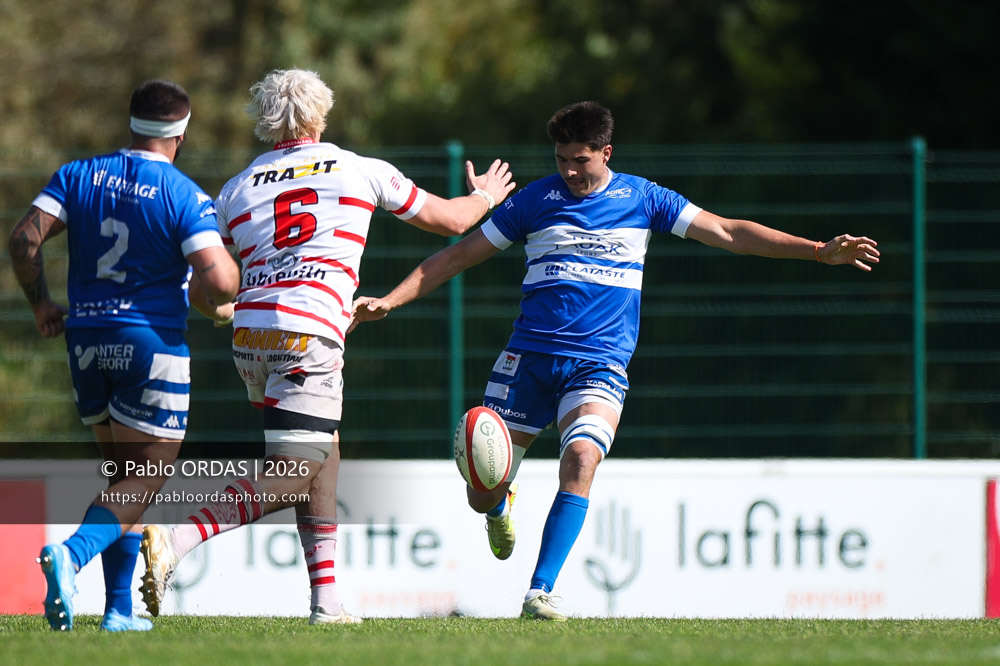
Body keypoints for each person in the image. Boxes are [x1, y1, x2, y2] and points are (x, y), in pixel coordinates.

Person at [350, 100, 881, 620]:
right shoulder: (535, 201)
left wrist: (816, 250)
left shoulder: (644, 199)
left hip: (598, 363)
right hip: (529, 360)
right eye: (561, 160)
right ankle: (497, 506)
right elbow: (459, 254)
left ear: (606, 152)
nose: (570, 172)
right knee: (480, 488)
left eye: (580, 160)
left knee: (581, 459)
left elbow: (727, 231)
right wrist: (390, 300)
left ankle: (541, 592)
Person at [138, 68, 515, 625]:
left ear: (266, 121)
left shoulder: (236, 190)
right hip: (307, 333)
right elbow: (452, 220)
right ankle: (177, 538)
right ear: (322, 112)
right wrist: (483, 194)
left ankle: (327, 601)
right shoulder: (358, 168)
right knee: (294, 469)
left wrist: (225, 311)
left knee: (321, 452)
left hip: (252, 337)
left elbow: (208, 289)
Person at [7, 79, 240, 631]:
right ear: (180, 134)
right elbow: (221, 280)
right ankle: (72, 554)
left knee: (123, 476)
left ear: (132, 124)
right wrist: (223, 290)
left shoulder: (79, 175)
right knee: (148, 476)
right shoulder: (183, 194)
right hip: (149, 343)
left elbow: (23, 240)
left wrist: (42, 305)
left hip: (86, 340)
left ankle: (118, 611)